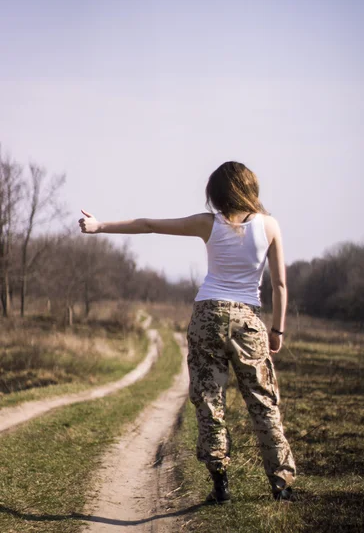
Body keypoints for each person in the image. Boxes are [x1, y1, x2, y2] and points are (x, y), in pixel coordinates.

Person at [78, 160, 296, 503]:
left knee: (209, 401)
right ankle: (281, 485)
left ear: (217, 191)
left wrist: (99, 226)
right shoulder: (270, 226)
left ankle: (220, 485)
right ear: (251, 188)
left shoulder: (208, 223)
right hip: (247, 320)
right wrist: (277, 331)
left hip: (207, 314)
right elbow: (280, 285)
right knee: (263, 402)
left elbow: (149, 224)